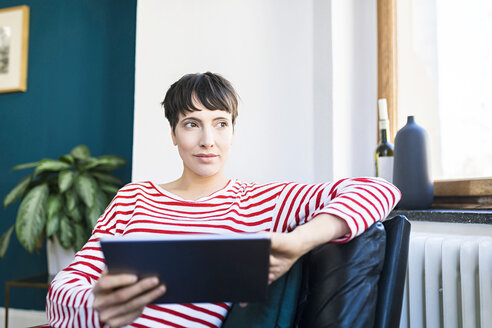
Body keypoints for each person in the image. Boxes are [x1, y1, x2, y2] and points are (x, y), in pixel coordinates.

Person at [46, 72, 401, 328]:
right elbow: (64, 286)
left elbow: (379, 189)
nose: (207, 140)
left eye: (220, 123)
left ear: (233, 131)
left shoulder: (262, 201)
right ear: (173, 133)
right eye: (191, 124)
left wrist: (297, 241)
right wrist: (95, 302)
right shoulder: (132, 197)